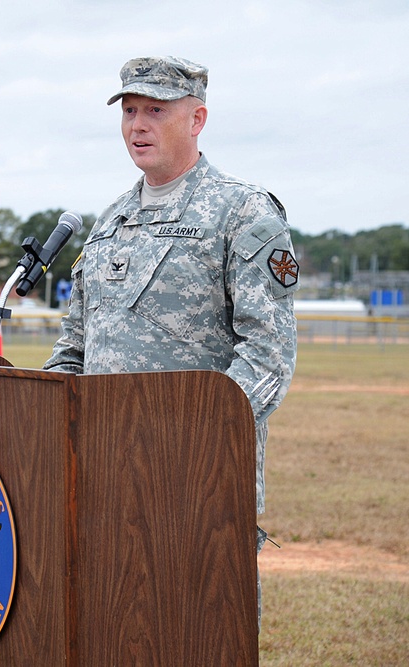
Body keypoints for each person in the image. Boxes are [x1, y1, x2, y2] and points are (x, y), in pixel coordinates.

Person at [43, 55, 299, 626]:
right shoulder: (110, 221)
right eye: (130, 111)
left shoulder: (243, 212)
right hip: (102, 472)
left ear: (197, 119)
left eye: (155, 111)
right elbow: (73, 350)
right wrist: (40, 415)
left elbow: (268, 355)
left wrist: (197, 434)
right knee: (108, 628)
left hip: (195, 478)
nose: (138, 125)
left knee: (200, 629)